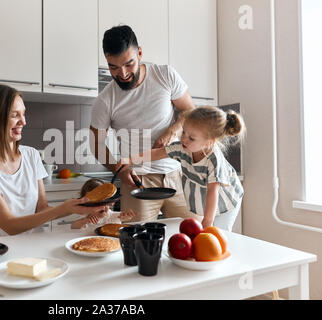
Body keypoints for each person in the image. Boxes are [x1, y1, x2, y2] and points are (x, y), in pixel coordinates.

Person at [0, 84, 107, 238]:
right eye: (14, 115)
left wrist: (82, 208)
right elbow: (10, 225)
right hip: (0, 251)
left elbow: (41, 209)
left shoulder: (31, 155)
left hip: (35, 244)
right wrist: (66, 208)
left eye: (23, 114)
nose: (23, 122)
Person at [90, 25, 195, 222]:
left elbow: (190, 111)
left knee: (192, 238)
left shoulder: (165, 75)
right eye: (113, 67)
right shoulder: (105, 100)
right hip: (137, 182)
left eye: (129, 64)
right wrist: (119, 170)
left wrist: (173, 131)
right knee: (136, 244)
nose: (122, 74)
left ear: (139, 53)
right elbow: (96, 143)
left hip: (177, 175)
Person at [117, 106, 245, 231]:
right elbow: (158, 153)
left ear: (209, 142)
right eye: (183, 132)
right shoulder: (183, 148)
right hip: (207, 200)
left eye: (191, 138)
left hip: (227, 202)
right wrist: (130, 159)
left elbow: (213, 191)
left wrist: (207, 221)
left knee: (219, 235)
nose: (184, 139)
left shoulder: (213, 160)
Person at [70, 178, 136, 229]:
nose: (102, 206)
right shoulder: (85, 215)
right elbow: (73, 226)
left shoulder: (110, 214)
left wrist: (126, 215)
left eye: (104, 202)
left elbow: (119, 217)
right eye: (96, 204)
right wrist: (84, 221)